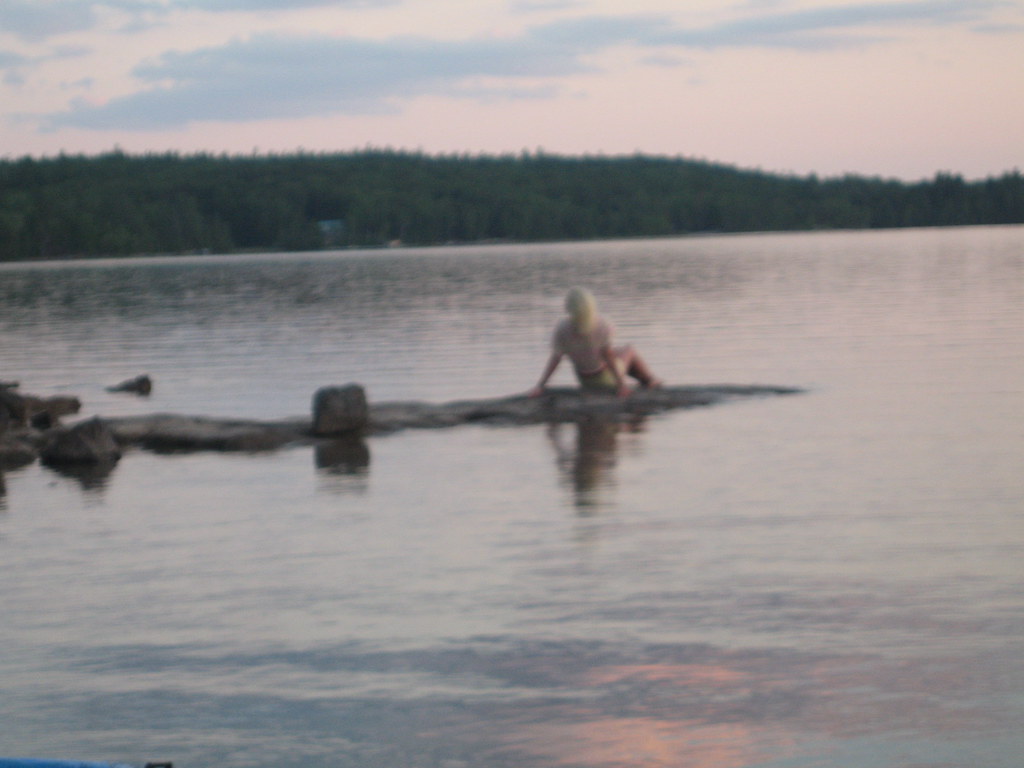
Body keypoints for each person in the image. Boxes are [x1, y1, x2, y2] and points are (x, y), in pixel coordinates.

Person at [529, 287, 662, 398]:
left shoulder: (562, 328)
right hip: (606, 380)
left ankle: (644, 382)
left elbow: (555, 359)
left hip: (585, 381)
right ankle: (650, 381)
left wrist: (540, 386)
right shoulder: (602, 324)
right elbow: (608, 357)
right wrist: (621, 386)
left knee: (617, 351)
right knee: (629, 350)